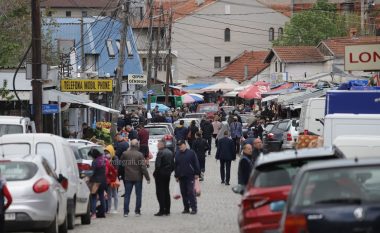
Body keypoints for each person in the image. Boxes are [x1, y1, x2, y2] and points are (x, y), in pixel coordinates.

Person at [120, 139, 150, 217]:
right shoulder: (140, 154)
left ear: (130, 145)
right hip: (138, 177)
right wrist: (147, 178)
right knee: (138, 195)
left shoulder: (125, 153)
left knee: (127, 195)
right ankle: (137, 211)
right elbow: (143, 167)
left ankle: (126, 212)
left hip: (128, 177)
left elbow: (121, 162)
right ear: (137, 145)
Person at [174, 140, 200, 215]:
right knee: (183, 193)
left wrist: (197, 173)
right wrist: (176, 175)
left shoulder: (191, 153)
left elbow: (196, 163)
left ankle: (194, 208)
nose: (180, 147)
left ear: (185, 145)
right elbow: (176, 165)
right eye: (179, 145)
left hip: (190, 176)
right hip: (181, 176)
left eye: (181, 145)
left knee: (190, 192)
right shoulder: (177, 154)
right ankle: (186, 208)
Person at [153, 140, 175, 216]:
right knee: (166, 192)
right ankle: (167, 210)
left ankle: (162, 209)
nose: (157, 146)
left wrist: (155, 174)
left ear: (161, 145)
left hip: (160, 175)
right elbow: (173, 165)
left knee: (160, 192)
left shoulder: (160, 152)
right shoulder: (170, 152)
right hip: (167, 174)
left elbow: (158, 166)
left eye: (158, 144)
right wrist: (169, 172)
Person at [89, 148, 107, 218]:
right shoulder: (103, 160)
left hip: (95, 182)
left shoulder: (94, 162)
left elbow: (92, 172)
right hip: (103, 181)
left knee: (93, 197)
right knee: (102, 196)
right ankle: (103, 212)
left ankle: (93, 214)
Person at [105, 149, 118, 214]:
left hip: (113, 181)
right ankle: (109, 209)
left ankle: (115, 208)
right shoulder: (107, 162)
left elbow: (116, 171)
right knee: (110, 195)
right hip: (109, 181)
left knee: (114, 194)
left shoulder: (113, 161)